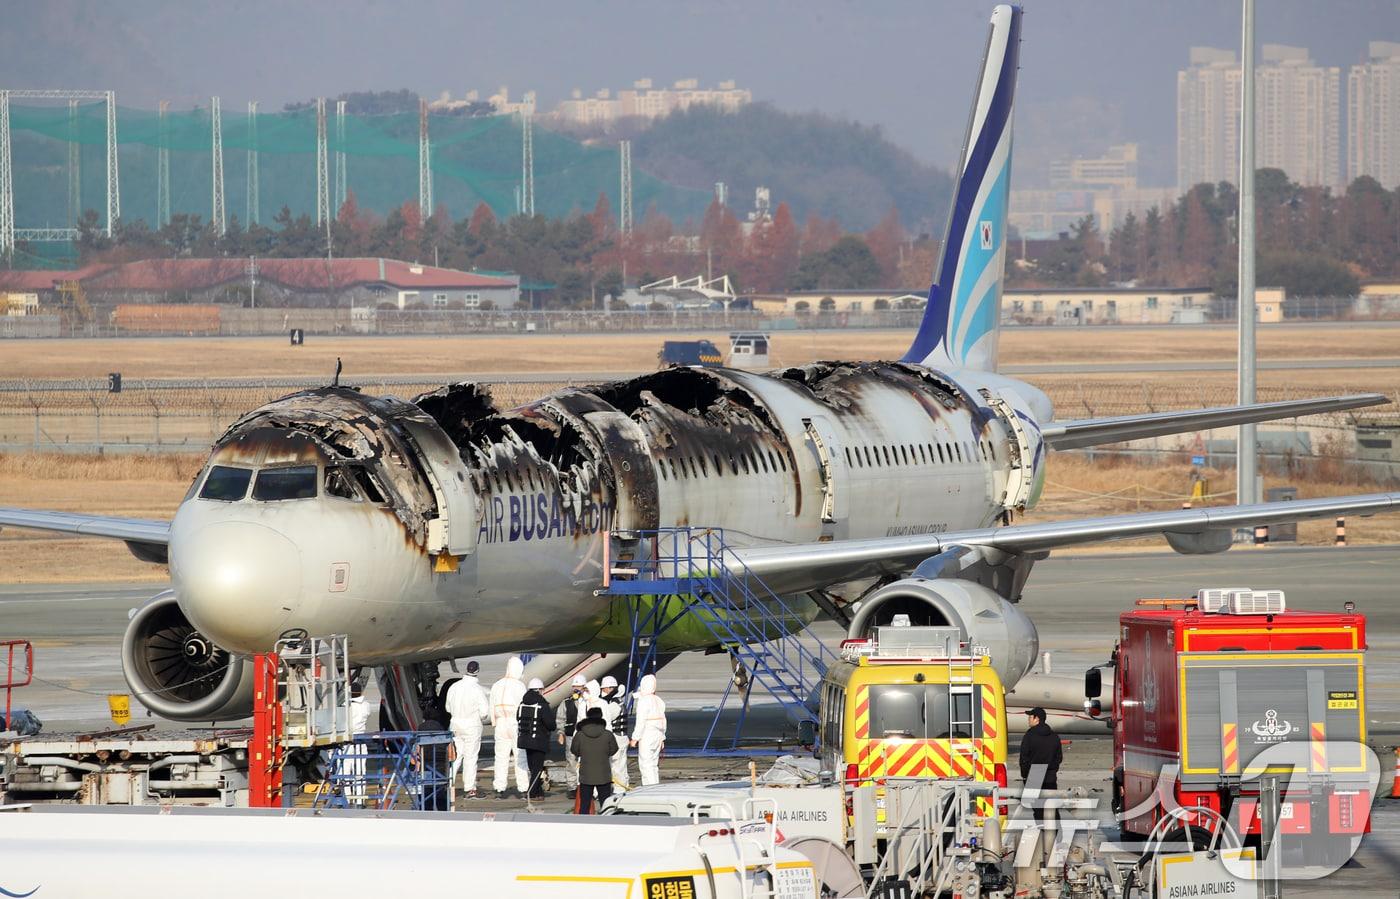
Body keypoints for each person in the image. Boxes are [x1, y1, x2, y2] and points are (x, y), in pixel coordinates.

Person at [445, 660, 489, 798]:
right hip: (471, 726)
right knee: (470, 757)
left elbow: (447, 707)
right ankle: (470, 788)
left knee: (456, 756)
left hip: (455, 725)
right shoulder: (477, 689)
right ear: (477, 671)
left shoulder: (454, 687)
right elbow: (484, 712)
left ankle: (447, 784)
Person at [488, 656, 529, 798]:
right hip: (515, 723)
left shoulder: (496, 685)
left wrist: (494, 722)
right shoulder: (519, 685)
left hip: (500, 723)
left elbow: (491, 706)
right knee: (520, 756)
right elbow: (524, 707)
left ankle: (499, 788)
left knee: (500, 757)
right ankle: (523, 789)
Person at [571, 706, 618, 814]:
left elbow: (574, 750)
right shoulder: (607, 734)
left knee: (585, 804)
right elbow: (614, 749)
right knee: (606, 804)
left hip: (586, 774)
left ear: (587, 717)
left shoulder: (580, 734)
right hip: (603, 774)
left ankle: (584, 825)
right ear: (601, 717)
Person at [1019, 707, 1062, 822]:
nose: (1028, 719)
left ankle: (1043, 832)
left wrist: (1024, 775)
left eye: (1030, 717)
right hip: (1050, 776)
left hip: (1034, 774)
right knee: (1052, 807)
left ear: (1036, 719)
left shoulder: (1029, 735)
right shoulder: (1054, 736)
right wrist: (1052, 770)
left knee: (1038, 809)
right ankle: (1057, 834)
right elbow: (1059, 757)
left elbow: (1024, 758)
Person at [517, 677, 557, 800]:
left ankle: (538, 792)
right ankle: (532, 792)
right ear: (539, 690)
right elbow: (551, 724)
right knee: (537, 768)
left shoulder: (522, 704)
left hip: (525, 740)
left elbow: (517, 719)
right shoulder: (542, 705)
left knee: (532, 767)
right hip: (539, 740)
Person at [629, 674, 667, 786]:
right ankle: (655, 786)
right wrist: (663, 738)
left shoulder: (644, 701)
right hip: (658, 735)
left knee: (645, 764)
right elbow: (663, 720)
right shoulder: (658, 700)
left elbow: (640, 722)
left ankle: (649, 788)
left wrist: (635, 738)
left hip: (647, 734)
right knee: (654, 764)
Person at [343, 681, 373, 806]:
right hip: (361, 739)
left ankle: (347, 796)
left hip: (348, 739)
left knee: (345, 769)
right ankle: (360, 799)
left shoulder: (346, 705)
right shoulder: (366, 705)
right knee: (360, 770)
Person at [558, 675, 588, 790]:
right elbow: (560, 719)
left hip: (586, 735)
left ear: (584, 687)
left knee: (586, 760)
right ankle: (572, 787)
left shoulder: (589, 701)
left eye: (579, 686)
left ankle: (585, 784)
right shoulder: (566, 702)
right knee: (571, 761)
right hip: (571, 735)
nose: (576, 689)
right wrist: (561, 733)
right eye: (574, 686)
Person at [599, 675, 629, 791]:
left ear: (610, 688)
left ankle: (619, 789)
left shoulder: (614, 704)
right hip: (620, 738)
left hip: (617, 738)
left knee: (617, 766)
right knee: (619, 765)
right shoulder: (618, 701)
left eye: (604, 689)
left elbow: (606, 718)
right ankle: (621, 787)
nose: (602, 691)